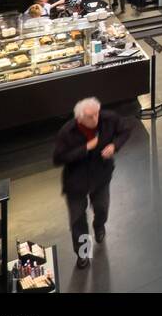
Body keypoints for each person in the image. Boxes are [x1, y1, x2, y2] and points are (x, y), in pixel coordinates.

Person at [53, 97, 131, 269]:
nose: (95, 119)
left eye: (96, 114)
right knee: (78, 219)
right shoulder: (67, 132)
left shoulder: (108, 119)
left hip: (101, 175)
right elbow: (58, 158)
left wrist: (114, 146)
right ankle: (83, 253)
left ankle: (99, 225)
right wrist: (85, 148)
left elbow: (125, 130)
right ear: (80, 118)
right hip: (76, 182)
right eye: (90, 116)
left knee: (102, 207)